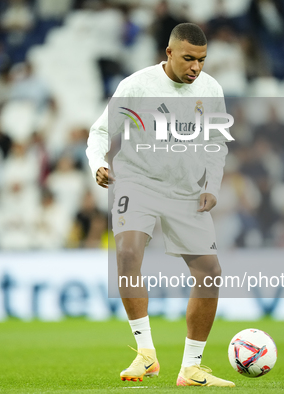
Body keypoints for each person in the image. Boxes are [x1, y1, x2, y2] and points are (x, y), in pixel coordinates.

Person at [86, 23, 234, 387]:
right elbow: (101, 131)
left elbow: (217, 143)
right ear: (168, 54)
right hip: (138, 182)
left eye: (201, 59)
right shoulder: (137, 86)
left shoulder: (211, 89)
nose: (195, 67)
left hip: (185, 191)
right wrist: (99, 164)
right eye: (188, 58)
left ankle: (191, 368)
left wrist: (211, 186)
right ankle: (146, 354)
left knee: (210, 273)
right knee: (128, 251)